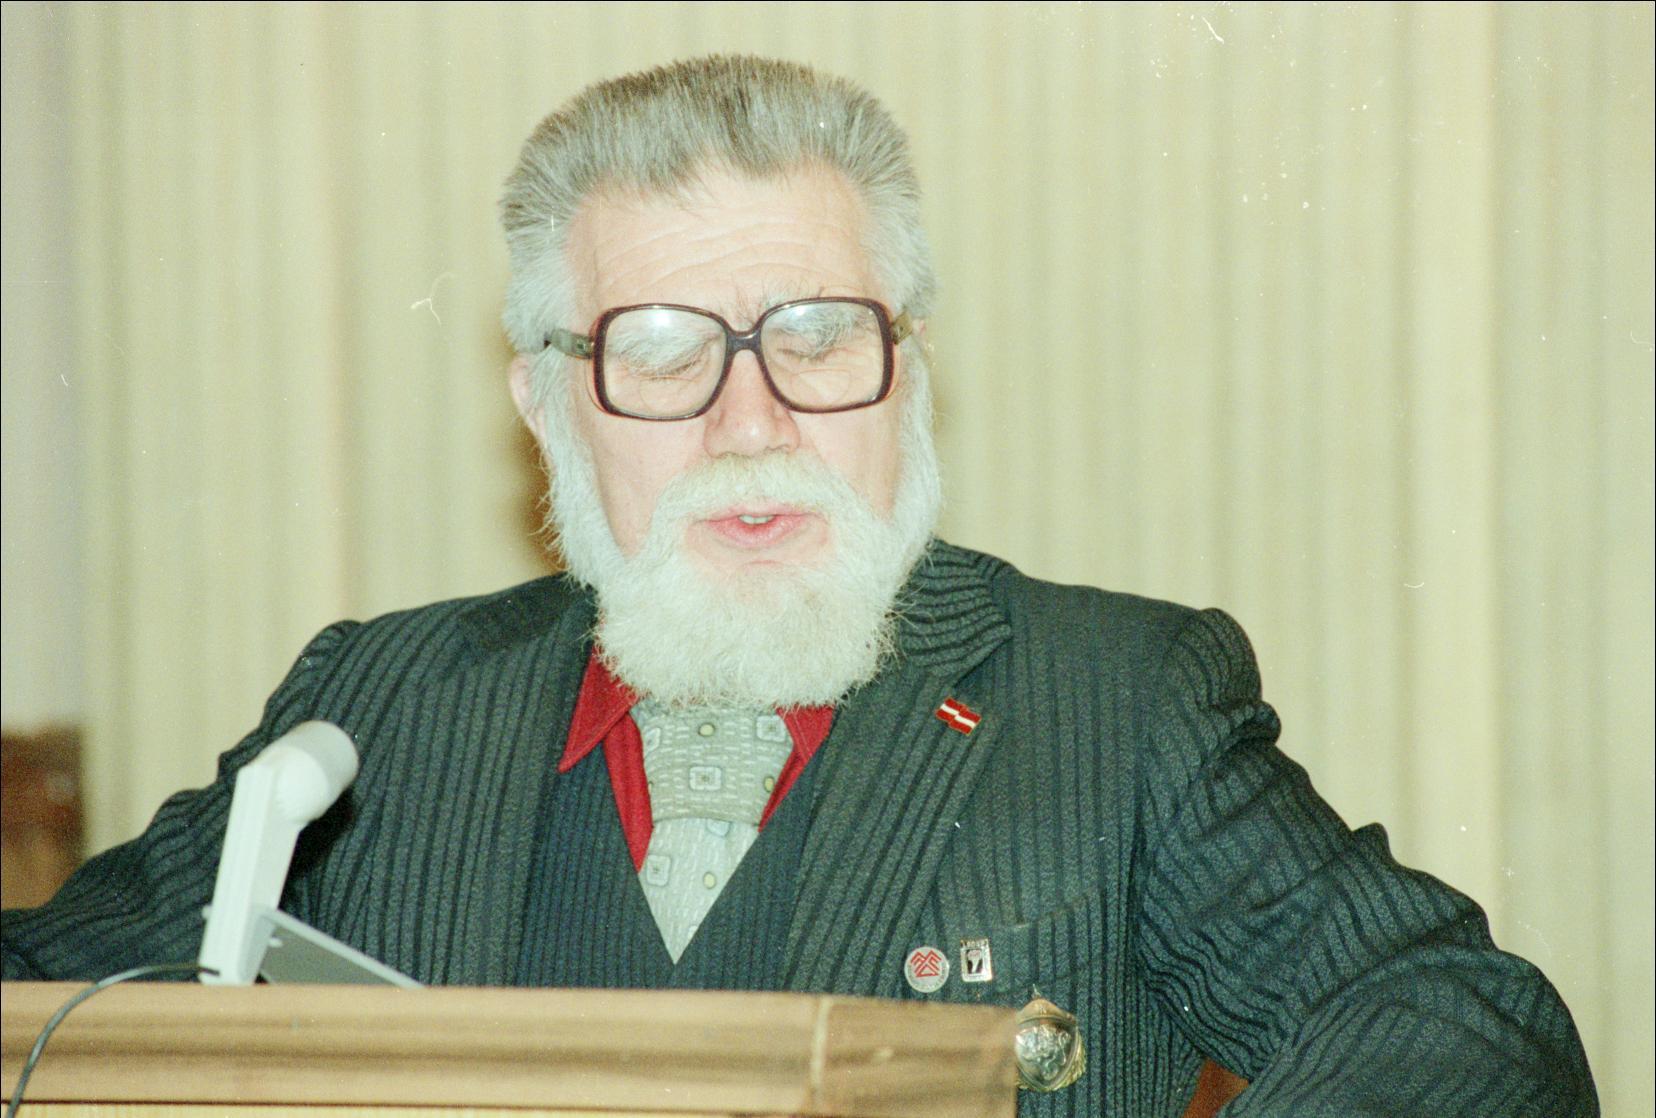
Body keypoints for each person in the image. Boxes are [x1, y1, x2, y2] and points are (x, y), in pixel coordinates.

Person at [1, 55, 1596, 1117]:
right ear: (549, 405)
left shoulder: (1120, 703)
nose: (750, 423)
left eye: (818, 338)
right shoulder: (377, 712)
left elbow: (1463, 1023)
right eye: (662, 353)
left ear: (910, 371)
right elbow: (43, 1002)